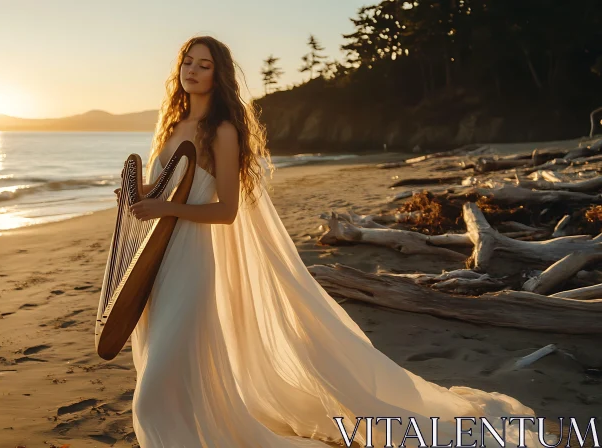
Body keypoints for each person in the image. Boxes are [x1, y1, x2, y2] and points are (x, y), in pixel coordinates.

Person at [122, 35, 538, 448]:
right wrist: (137, 194)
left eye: (204, 65)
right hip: (159, 260)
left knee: (156, 389)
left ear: (218, 76)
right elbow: (170, 190)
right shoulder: (173, 126)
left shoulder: (223, 132)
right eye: (187, 62)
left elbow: (225, 210)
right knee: (169, 371)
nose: (192, 71)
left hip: (194, 262)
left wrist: (166, 210)